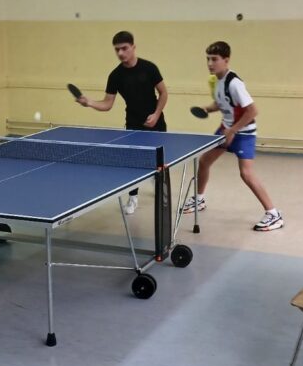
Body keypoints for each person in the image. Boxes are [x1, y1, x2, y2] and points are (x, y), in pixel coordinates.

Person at [181, 41, 283, 231]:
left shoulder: (235, 83)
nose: (210, 63)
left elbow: (252, 111)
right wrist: (208, 108)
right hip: (226, 129)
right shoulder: (216, 81)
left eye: (214, 59)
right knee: (204, 161)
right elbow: (222, 103)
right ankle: (199, 199)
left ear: (226, 60)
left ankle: (274, 214)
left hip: (243, 133)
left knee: (246, 174)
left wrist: (233, 130)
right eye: (208, 59)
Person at [75, 30, 168, 214]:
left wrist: (157, 114)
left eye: (124, 48)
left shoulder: (149, 68)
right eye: (117, 49)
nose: (120, 53)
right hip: (133, 124)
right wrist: (89, 103)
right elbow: (107, 104)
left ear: (133, 47)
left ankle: (160, 185)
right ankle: (133, 198)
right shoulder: (115, 75)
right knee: (133, 163)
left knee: (160, 162)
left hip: (156, 122)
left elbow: (163, 92)